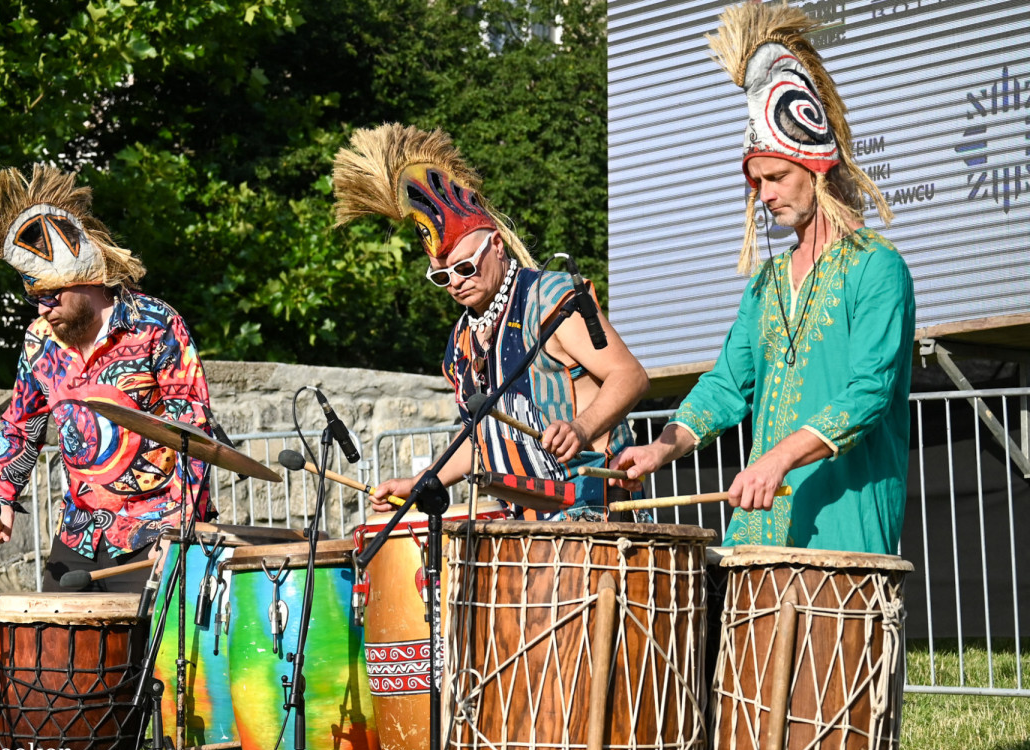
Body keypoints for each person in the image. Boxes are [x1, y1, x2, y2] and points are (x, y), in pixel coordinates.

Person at [611, 2, 915, 555]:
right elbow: (728, 383)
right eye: (758, 183)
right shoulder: (767, 281)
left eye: (777, 177)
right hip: (761, 522)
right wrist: (663, 447)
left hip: (845, 523)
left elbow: (869, 393)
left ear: (818, 167)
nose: (766, 195)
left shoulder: (878, 266)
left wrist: (778, 457)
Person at [332, 124, 650, 519]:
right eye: (442, 276)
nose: (456, 283)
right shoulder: (460, 343)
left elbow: (630, 376)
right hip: (523, 527)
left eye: (464, 267)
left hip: (593, 514)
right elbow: (481, 438)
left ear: (496, 246)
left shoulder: (550, 299)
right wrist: (424, 480)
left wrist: (581, 428)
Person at [0, 165, 214, 591]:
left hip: (156, 530)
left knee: (145, 658)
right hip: (80, 531)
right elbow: (22, 425)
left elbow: (194, 431)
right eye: (34, 299)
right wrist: (5, 497)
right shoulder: (39, 340)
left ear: (84, 282)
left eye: (50, 296)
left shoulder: (155, 324)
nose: (42, 309)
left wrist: (181, 533)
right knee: (52, 650)